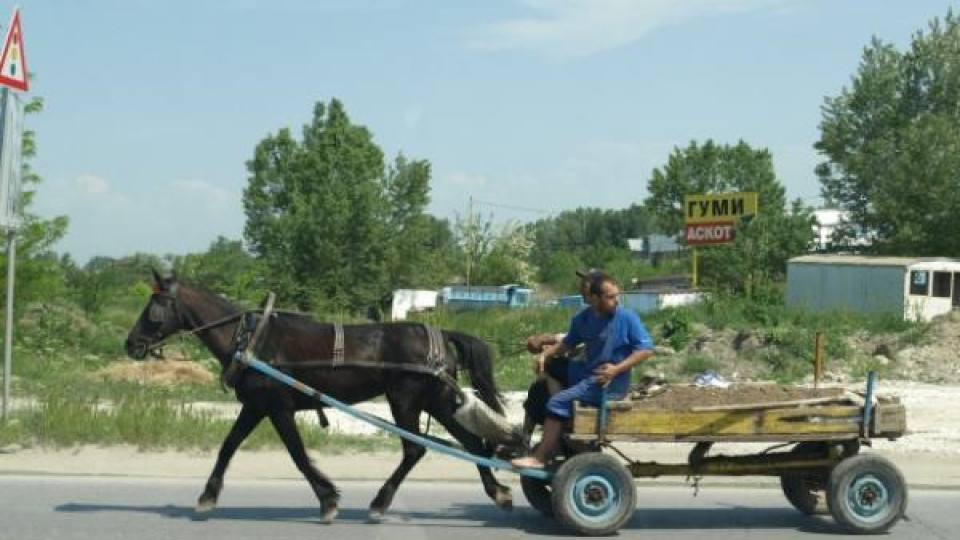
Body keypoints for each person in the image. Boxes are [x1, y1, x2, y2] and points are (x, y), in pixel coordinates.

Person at [512, 273, 654, 469]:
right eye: (610, 297)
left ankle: (540, 457)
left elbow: (646, 350)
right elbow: (567, 343)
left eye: (617, 296)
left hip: (605, 381)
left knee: (556, 402)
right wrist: (546, 355)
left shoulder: (627, 318)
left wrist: (616, 369)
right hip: (586, 372)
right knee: (553, 366)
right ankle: (561, 414)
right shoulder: (582, 319)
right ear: (594, 299)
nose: (616, 301)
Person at [519, 270, 601, 443]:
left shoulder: (602, 314)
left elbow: (577, 339)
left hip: (590, 373)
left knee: (547, 372)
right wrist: (549, 345)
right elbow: (571, 338)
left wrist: (546, 342)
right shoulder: (588, 313)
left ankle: (562, 416)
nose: (582, 288)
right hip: (583, 368)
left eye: (586, 284)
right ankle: (526, 436)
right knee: (538, 388)